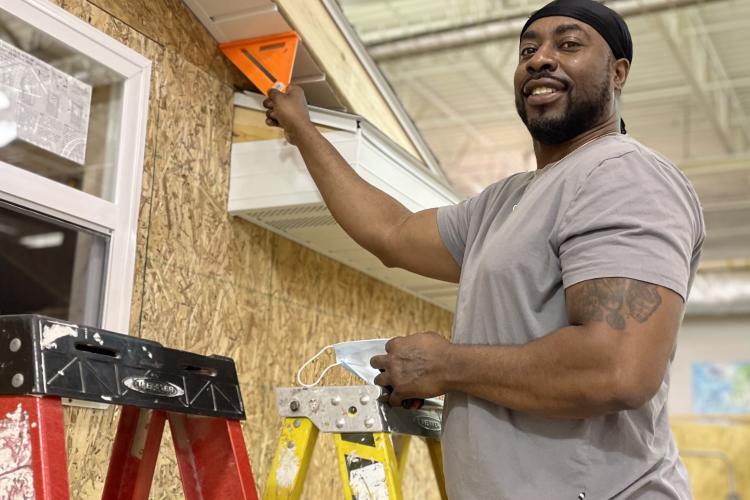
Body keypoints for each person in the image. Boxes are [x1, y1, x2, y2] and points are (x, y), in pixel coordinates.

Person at [262, 0, 704, 497]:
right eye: (528, 49)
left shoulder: (624, 176)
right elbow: (391, 232)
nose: (540, 58)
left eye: (569, 43)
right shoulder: (505, 201)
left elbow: (616, 368)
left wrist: (446, 366)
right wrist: (301, 129)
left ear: (618, 72)